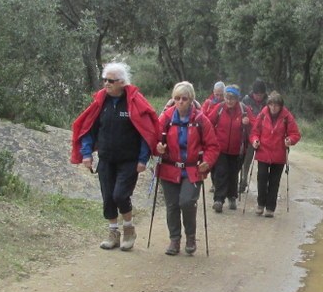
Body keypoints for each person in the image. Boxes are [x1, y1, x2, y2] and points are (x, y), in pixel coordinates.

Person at [70, 62, 161, 251]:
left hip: (129, 160)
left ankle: (128, 229)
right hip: (106, 159)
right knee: (108, 198)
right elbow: (88, 129)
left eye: (111, 81)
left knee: (120, 195)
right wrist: (86, 154)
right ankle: (113, 233)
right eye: (104, 80)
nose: (106, 84)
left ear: (122, 82)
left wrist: (143, 159)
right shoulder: (100, 102)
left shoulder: (134, 102)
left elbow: (145, 132)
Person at [155, 82, 220, 256]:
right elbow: (153, 138)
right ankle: (174, 239)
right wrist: (158, 147)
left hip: (192, 170)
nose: (180, 102)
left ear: (191, 99)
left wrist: (207, 161)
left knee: (187, 201)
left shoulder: (201, 120)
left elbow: (213, 146)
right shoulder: (166, 118)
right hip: (169, 168)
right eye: (177, 98)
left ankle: (190, 236)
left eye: (184, 98)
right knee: (172, 205)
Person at [250, 91, 301, 217]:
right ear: (268, 104)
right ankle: (260, 204)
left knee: (274, 181)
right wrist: (255, 140)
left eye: (276, 105)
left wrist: (290, 140)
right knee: (261, 178)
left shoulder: (286, 116)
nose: (273, 107)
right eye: (271, 104)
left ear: (281, 106)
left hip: (279, 154)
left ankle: (270, 208)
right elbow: (254, 132)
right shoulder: (262, 114)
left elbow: (295, 134)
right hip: (263, 152)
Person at [210, 85, 250, 212]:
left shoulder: (244, 110)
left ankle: (232, 196)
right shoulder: (220, 108)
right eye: (227, 97)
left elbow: (254, 128)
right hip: (220, 148)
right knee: (221, 173)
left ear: (237, 98)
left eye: (232, 98)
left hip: (238, 150)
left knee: (233, 174)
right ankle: (218, 200)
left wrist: (247, 123)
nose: (229, 100)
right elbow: (208, 122)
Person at [239, 78, 268, 193]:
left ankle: (264, 185)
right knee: (246, 159)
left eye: (261, 95)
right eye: (257, 94)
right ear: (253, 93)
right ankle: (243, 180)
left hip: (264, 134)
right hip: (248, 134)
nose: (258, 97)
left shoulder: (269, 101)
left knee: (264, 162)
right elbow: (240, 114)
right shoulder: (246, 100)